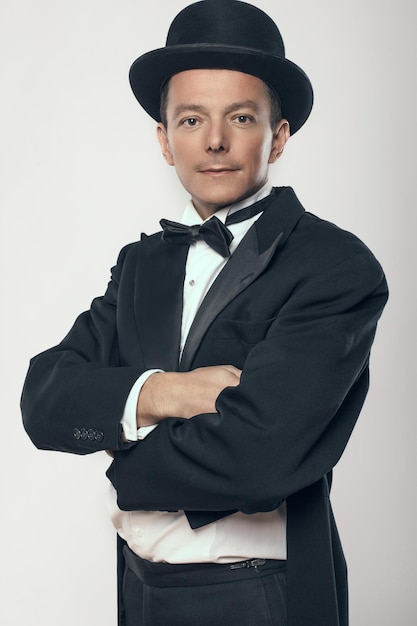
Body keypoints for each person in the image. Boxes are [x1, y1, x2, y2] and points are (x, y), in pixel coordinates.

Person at [21, 1, 388, 625]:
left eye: (240, 117)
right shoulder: (141, 265)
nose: (214, 140)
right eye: (191, 119)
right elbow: (45, 401)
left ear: (278, 135)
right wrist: (169, 393)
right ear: (165, 141)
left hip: (257, 594)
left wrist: (122, 465)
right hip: (137, 588)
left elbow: (260, 459)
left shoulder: (335, 265)